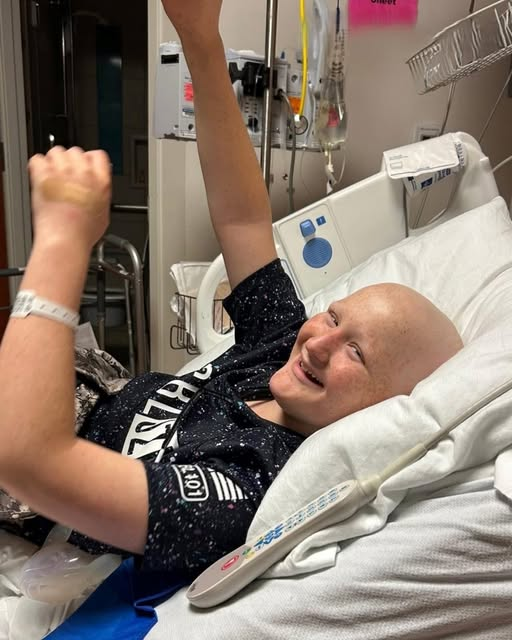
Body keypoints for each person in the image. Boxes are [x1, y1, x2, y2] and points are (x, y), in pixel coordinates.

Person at [0, 0, 463, 579]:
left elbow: (30, 461)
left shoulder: (249, 484)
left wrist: (62, 242)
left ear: (384, 411)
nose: (319, 343)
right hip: (83, 384)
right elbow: (243, 220)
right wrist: (201, 40)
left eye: (357, 353)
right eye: (334, 317)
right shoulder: (281, 352)